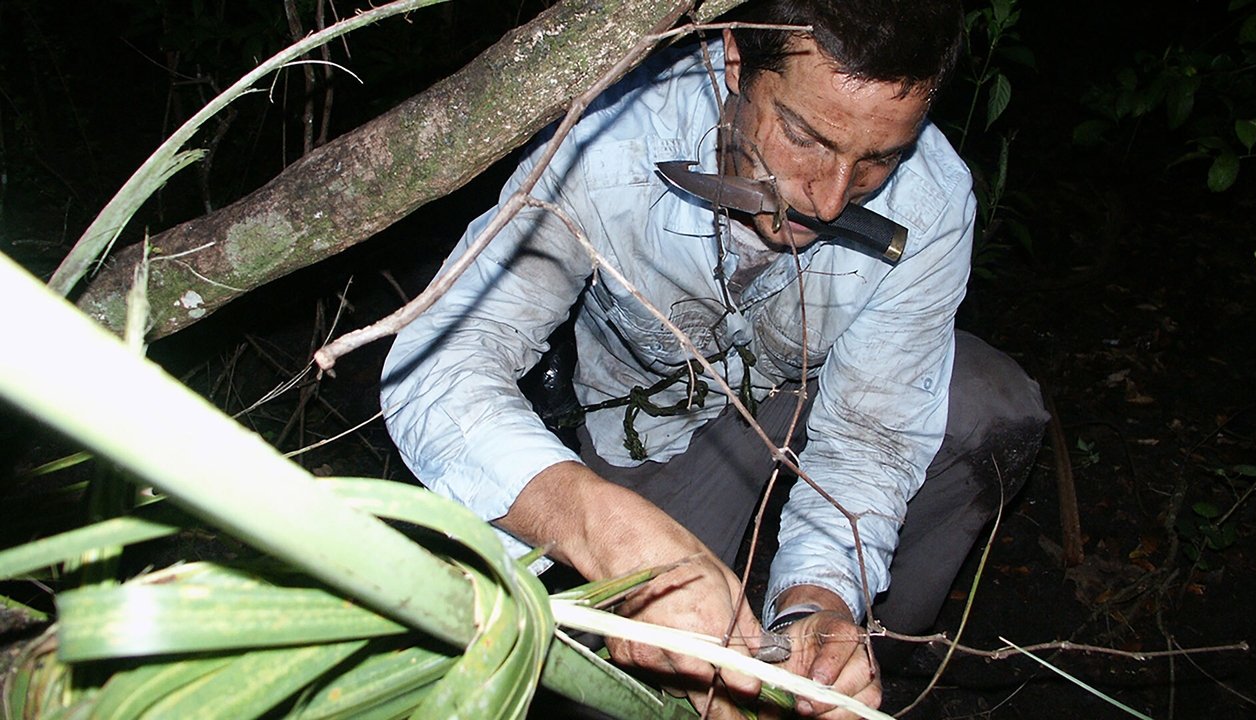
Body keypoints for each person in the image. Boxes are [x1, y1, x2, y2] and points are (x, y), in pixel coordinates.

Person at [382, 0, 1048, 715]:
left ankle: (865, 662)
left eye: (878, 159)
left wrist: (818, 598)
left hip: (812, 395)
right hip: (651, 425)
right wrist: (608, 532)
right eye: (804, 137)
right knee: (619, 682)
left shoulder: (932, 200)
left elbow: (870, 435)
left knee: (985, 404)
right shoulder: (607, 137)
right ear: (734, 58)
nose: (830, 200)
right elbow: (438, 365)